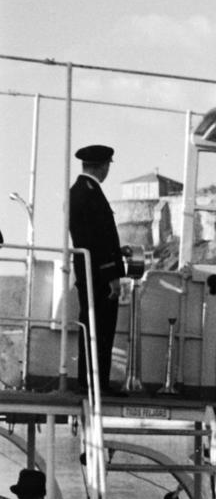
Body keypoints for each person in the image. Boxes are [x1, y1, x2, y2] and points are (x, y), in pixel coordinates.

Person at [69, 143, 125, 395]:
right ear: (102, 166)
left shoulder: (82, 191)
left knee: (95, 326)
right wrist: (111, 274)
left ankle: (91, 380)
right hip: (98, 274)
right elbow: (96, 239)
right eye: (106, 167)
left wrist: (117, 254)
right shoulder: (89, 193)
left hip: (91, 271)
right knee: (100, 327)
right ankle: (95, 383)